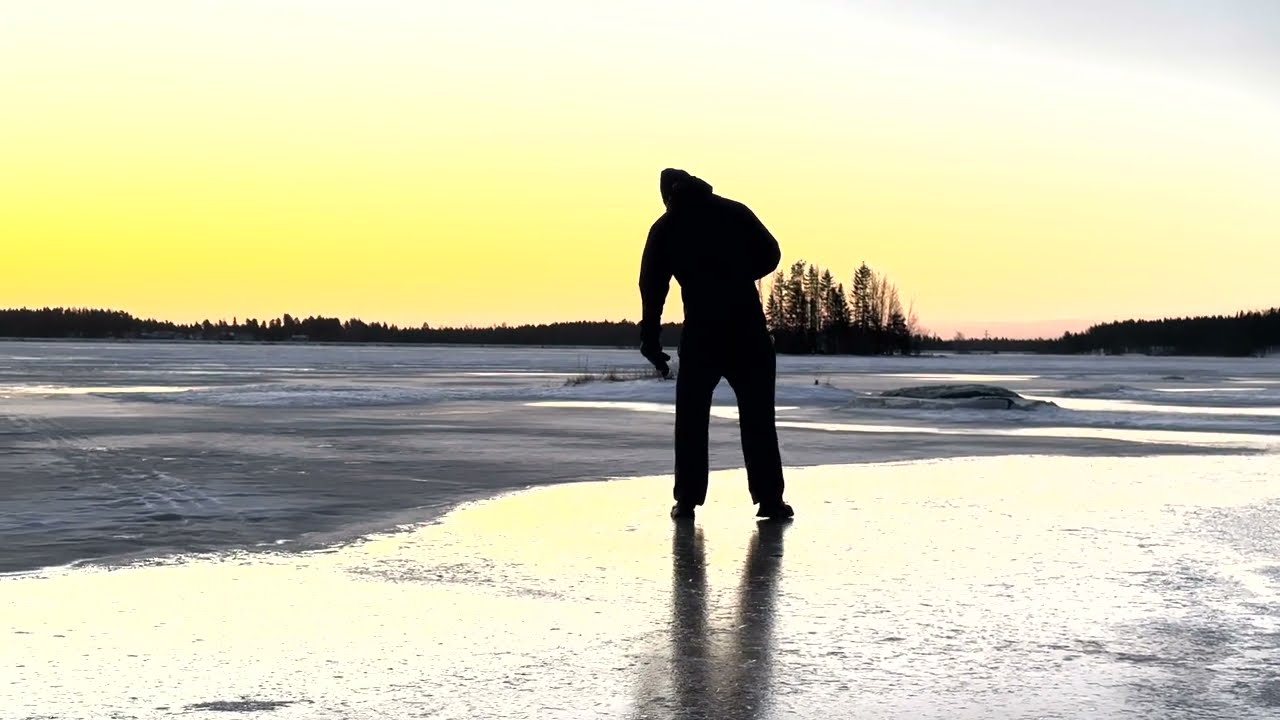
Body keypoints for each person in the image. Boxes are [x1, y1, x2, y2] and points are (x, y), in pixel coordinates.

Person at [639, 168, 793, 521]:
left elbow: (652, 288)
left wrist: (650, 337)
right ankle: (770, 500)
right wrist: (738, 273)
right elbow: (771, 253)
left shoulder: (666, 227)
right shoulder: (734, 211)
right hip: (748, 329)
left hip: (702, 334)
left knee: (691, 421)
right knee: (758, 420)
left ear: (668, 195)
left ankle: (687, 501)